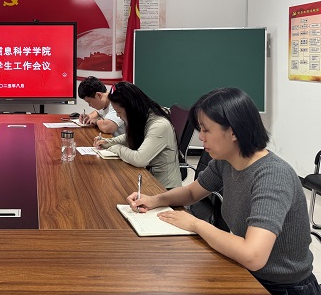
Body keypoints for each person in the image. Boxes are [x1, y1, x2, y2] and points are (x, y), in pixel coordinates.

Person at [127, 87, 320, 295]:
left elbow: (253, 255)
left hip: (283, 287)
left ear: (234, 131)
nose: (201, 137)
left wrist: (195, 224)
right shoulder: (226, 161)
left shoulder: (272, 176)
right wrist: (154, 200)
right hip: (246, 272)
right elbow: (192, 193)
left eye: (206, 130)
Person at [94, 81, 181, 189]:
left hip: (164, 188)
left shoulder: (159, 125)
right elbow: (129, 136)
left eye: (119, 112)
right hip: (148, 179)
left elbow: (139, 159)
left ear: (131, 109)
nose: (118, 115)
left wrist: (115, 148)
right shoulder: (143, 116)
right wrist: (108, 142)